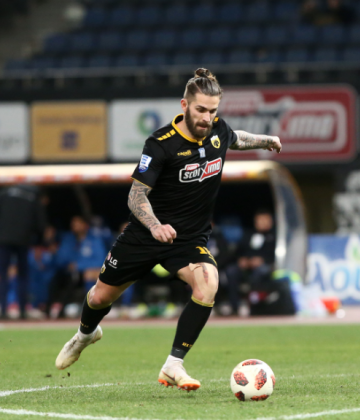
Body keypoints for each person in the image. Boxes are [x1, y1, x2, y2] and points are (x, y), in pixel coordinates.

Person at [55, 68, 282, 392]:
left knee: (208, 282)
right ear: (184, 105)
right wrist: (155, 225)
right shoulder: (160, 144)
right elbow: (135, 196)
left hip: (187, 240)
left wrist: (265, 141)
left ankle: (174, 363)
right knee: (100, 296)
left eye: (213, 111)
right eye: (201, 110)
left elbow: (237, 138)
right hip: (144, 236)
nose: (207, 117)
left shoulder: (217, 129)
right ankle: (84, 335)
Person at [48, 215, 107, 318]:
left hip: (85, 273)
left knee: (85, 276)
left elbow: (101, 260)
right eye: (73, 223)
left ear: (85, 225)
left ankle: (89, 307)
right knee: (53, 278)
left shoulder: (94, 240)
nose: (75, 225)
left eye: (78, 223)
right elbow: (61, 258)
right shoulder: (68, 240)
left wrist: (79, 265)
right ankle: (51, 308)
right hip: (67, 272)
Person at [0, 185, 45, 319]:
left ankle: (3, 310)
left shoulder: (4, 194)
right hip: (23, 240)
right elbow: (41, 224)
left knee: (3, 274)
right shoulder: (32, 197)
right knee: (23, 276)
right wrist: (39, 244)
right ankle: (23, 310)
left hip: (4, 239)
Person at [225, 209, 276, 315]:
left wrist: (262, 260)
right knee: (231, 271)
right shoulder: (248, 234)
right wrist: (241, 259)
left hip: (264, 266)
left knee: (260, 271)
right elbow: (238, 252)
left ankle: (253, 305)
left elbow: (275, 255)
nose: (262, 223)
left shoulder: (274, 237)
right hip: (246, 266)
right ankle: (234, 305)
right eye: (260, 220)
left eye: (265, 220)